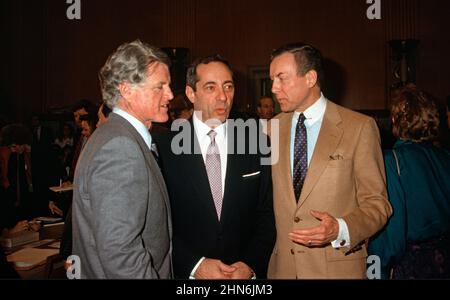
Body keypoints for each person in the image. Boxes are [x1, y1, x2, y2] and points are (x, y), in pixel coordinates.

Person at [266, 43, 392, 279]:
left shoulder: (359, 127)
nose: (274, 88)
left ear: (310, 78)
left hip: (337, 269)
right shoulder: (270, 129)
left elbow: (378, 204)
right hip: (282, 270)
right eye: (272, 79)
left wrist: (340, 228)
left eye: (281, 78)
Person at [155, 55, 275, 279]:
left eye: (228, 86)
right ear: (191, 94)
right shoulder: (163, 148)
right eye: (211, 87)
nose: (223, 97)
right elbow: (157, 223)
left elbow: (267, 214)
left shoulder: (257, 143)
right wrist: (194, 265)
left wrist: (250, 265)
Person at [72, 40, 174, 279]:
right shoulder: (121, 148)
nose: (170, 94)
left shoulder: (115, 136)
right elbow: (121, 255)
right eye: (160, 86)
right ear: (126, 89)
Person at [368, 84, 450, 279]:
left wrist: (374, 270)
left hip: (412, 264)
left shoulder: (391, 161)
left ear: (395, 119)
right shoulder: (445, 156)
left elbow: (389, 234)